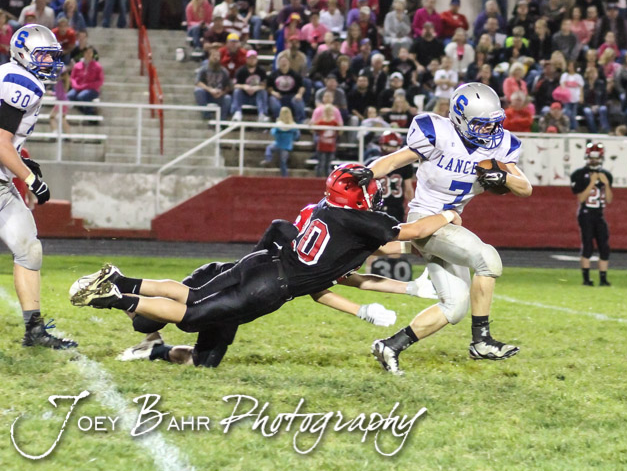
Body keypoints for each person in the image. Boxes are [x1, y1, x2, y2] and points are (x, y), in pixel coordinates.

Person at [70, 165, 460, 350]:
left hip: (261, 263)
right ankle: (114, 297)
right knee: (189, 316)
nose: (373, 196)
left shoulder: (326, 210)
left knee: (192, 295)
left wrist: (406, 288)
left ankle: (121, 281)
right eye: (368, 192)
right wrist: (448, 214)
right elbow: (406, 235)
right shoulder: (362, 223)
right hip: (271, 286)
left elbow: (371, 253)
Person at [368, 83, 533, 374]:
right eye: (481, 124)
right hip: (425, 219)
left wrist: (504, 178)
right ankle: (481, 341)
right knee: (488, 259)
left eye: (494, 123)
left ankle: (390, 346)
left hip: (449, 222)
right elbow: (394, 160)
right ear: (459, 118)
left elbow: (525, 188)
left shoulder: (501, 145)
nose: (489, 130)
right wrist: (363, 173)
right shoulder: (437, 133)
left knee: (454, 307)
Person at [1, 25, 75, 349]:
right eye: (43, 55)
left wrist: (21, 163)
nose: (50, 63)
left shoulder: (13, 75)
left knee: (28, 249)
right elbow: (1, 142)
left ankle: (34, 331)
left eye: (52, 56)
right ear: (23, 53)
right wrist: (30, 180)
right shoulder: (22, 82)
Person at [571, 142, 613, 287]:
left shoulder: (606, 175)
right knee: (587, 246)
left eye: (596, 157)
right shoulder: (579, 174)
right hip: (586, 214)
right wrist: (592, 182)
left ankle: (603, 279)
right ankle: (586, 279)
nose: (594, 160)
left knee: (604, 247)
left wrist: (606, 184)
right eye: (592, 157)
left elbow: (609, 200)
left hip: (599, 215)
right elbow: (581, 198)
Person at [371, 131, 414, 222]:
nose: (391, 150)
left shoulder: (374, 163)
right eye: (388, 146)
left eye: (394, 147)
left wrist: (411, 206)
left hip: (395, 208)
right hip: (378, 207)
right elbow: (408, 190)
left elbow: (408, 189)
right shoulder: (373, 163)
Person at [262, 107, 300, 177]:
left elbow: (273, 132)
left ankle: (268, 159)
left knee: (269, 148)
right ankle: (284, 177)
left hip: (278, 144)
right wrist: (294, 138)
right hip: (287, 146)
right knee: (283, 163)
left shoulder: (278, 125)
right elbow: (297, 135)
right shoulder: (293, 126)